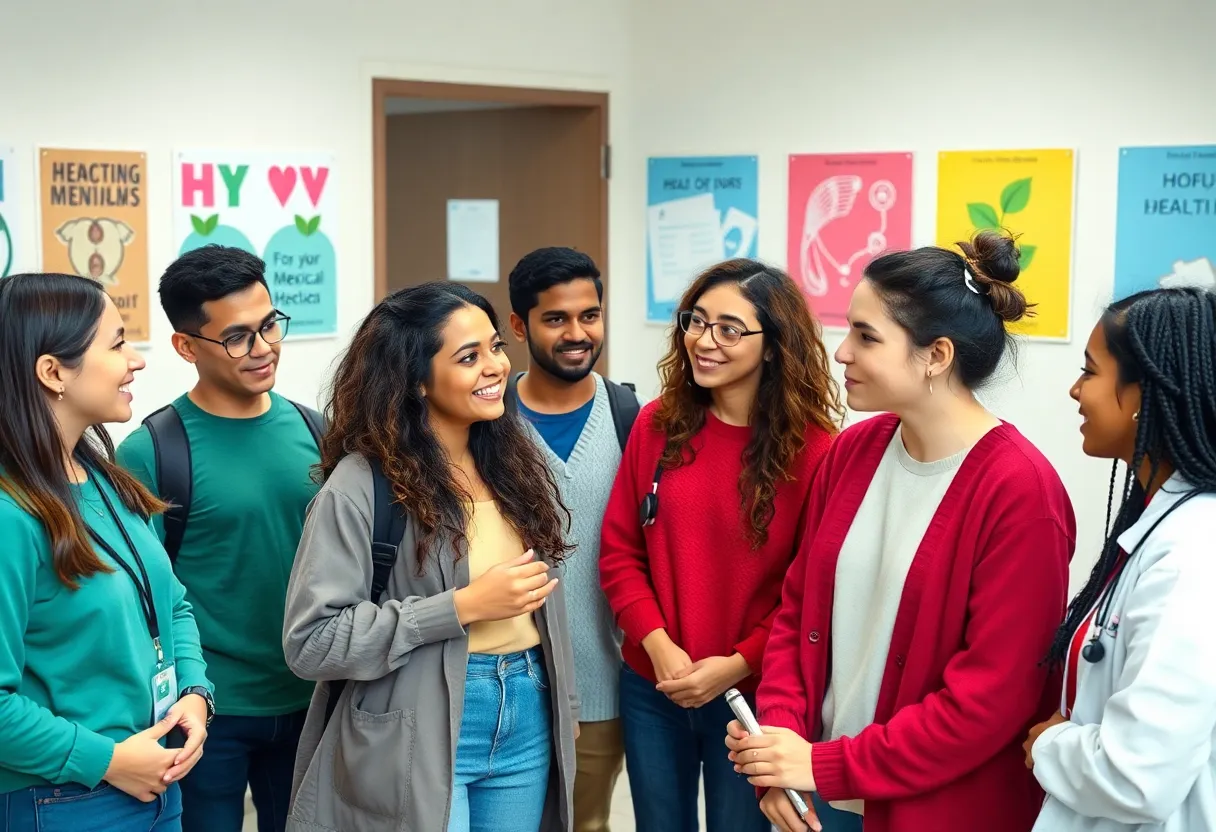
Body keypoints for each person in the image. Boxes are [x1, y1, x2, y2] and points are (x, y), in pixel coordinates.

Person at [728, 231, 1075, 832]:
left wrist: (819, 764)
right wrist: (778, 744)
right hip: (822, 791)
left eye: (866, 336)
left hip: (930, 806)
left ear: (936, 356)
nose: (841, 353)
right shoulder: (854, 452)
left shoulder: (1020, 493)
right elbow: (799, 611)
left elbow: (987, 704)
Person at [283, 281, 579, 832]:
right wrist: (460, 607)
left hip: (528, 710)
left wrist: (565, 705)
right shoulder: (360, 485)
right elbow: (312, 643)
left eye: (495, 347)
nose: (494, 366)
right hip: (419, 724)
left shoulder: (512, 458)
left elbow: (544, 603)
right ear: (416, 380)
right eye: (469, 356)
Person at [599, 259, 841, 832]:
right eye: (696, 321)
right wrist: (657, 646)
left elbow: (807, 595)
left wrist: (734, 666)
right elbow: (619, 552)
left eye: (729, 329)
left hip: (750, 699)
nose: (704, 342)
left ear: (774, 345)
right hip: (653, 684)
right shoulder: (658, 424)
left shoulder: (818, 453)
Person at [115, 246, 320, 832]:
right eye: (237, 337)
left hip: (312, 699)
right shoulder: (152, 452)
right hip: (207, 713)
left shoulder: (316, 431)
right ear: (186, 346)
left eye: (269, 326)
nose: (263, 349)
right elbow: (144, 601)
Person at [0, 273, 213, 831]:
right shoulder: (9, 513)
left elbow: (173, 606)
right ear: (53, 373)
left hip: (155, 785)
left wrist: (193, 693)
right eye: (118, 344)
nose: (136, 361)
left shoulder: (108, 481)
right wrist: (110, 760)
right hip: (63, 798)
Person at [1025, 287, 1216, 831]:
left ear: (1142, 393)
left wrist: (1051, 745)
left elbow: (1138, 776)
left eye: (1090, 372)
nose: (1074, 390)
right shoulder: (1161, 526)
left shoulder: (1192, 554)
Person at [505, 247, 640, 832]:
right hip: (506, 687)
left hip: (602, 686)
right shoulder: (488, 419)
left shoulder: (628, 415)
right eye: (556, 318)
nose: (577, 333)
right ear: (518, 326)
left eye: (590, 315)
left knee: (586, 825)